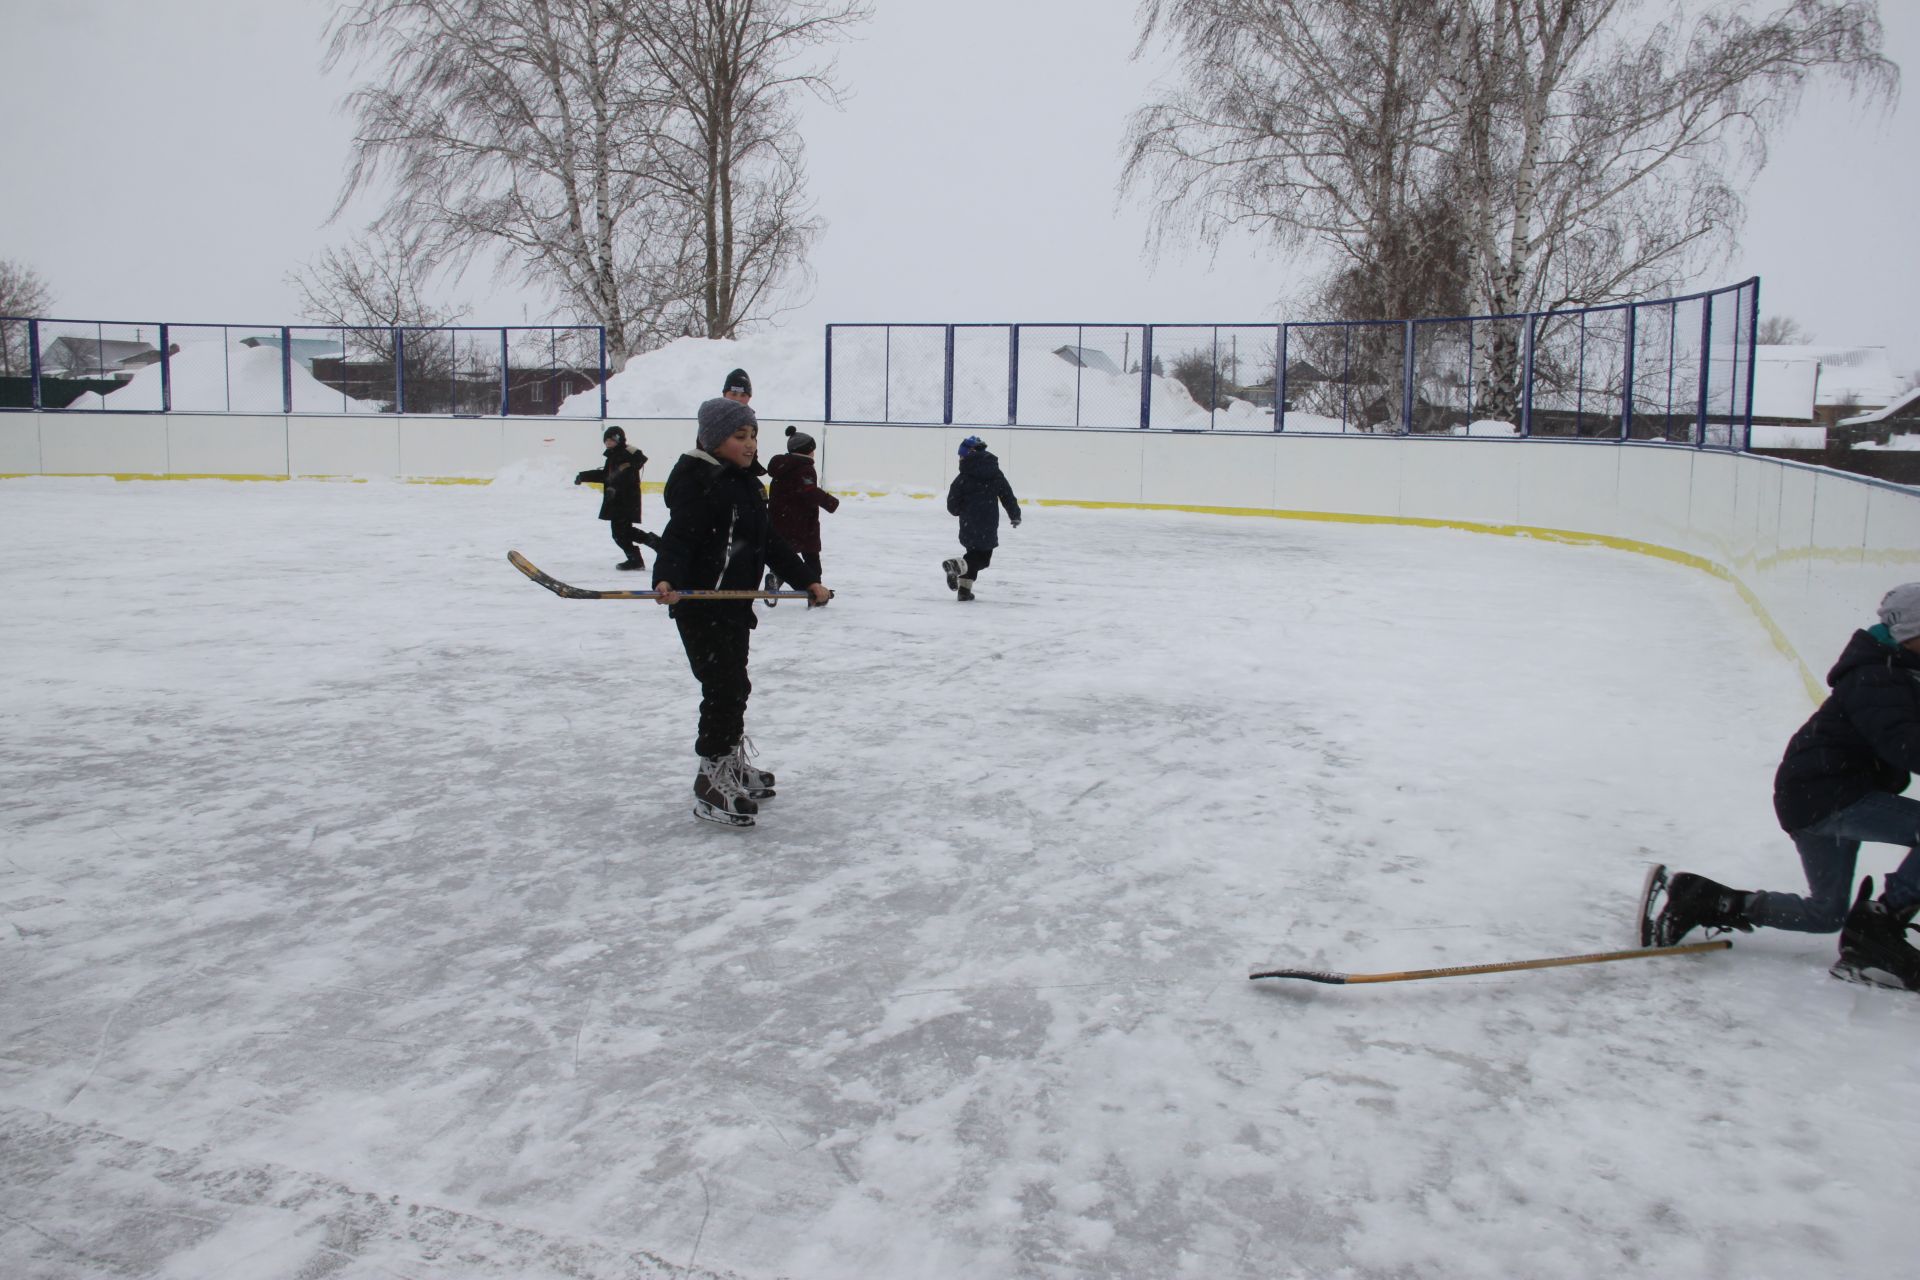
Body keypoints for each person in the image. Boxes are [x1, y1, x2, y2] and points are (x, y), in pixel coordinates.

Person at [1650, 582, 1920, 991]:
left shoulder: (1897, 668)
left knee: (1825, 914)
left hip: (1810, 798)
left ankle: (1708, 900)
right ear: (1911, 632)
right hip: (1829, 796)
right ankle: (1879, 926)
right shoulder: (1875, 677)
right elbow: (1905, 744)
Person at [653, 397, 830, 827]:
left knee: (735, 685)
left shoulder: (748, 484)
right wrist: (667, 580)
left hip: (734, 605)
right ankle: (711, 776)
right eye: (739, 436)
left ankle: (728, 761)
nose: (750, 445)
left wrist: (805, 578)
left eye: (753, 436)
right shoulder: (702, 483)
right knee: (723, 687)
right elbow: (677, 539)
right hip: (701, 605)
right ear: (714, 440)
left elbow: (769, 541)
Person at [764, 426, 839, 603]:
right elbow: (809, 491)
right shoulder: (804, 468)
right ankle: (816, 592)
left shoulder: (782, 467)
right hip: (803, 522)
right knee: (811, 556)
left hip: (779, 520)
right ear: (809, 450)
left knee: (783, 554)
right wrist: (830, 502)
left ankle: (775, 578)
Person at [942, 435, 1020, 602]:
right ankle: (957, 570)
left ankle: (964, 590)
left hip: (968, 522)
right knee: (982, 559)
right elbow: (1007, 494)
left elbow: (952, 503)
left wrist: (959, 511)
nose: (960, 458)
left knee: (973, 555)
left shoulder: (963, 477)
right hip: (988, 522)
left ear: (969, 453)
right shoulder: (995, 473)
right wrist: (1015, 514)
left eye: (961, 455)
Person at [573, 424, 656, 570]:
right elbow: (606, 475)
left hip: (625, 500)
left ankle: (642, 554)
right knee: (622, 532)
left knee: (620, 533)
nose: (608, 443)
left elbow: (625, 477)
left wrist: (614, 488)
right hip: (619, 500)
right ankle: (645, 552)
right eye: (606, 440)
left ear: (618, 440)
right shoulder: (614, 456)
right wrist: (584, 476)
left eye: (611, 440)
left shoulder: (625, 455)